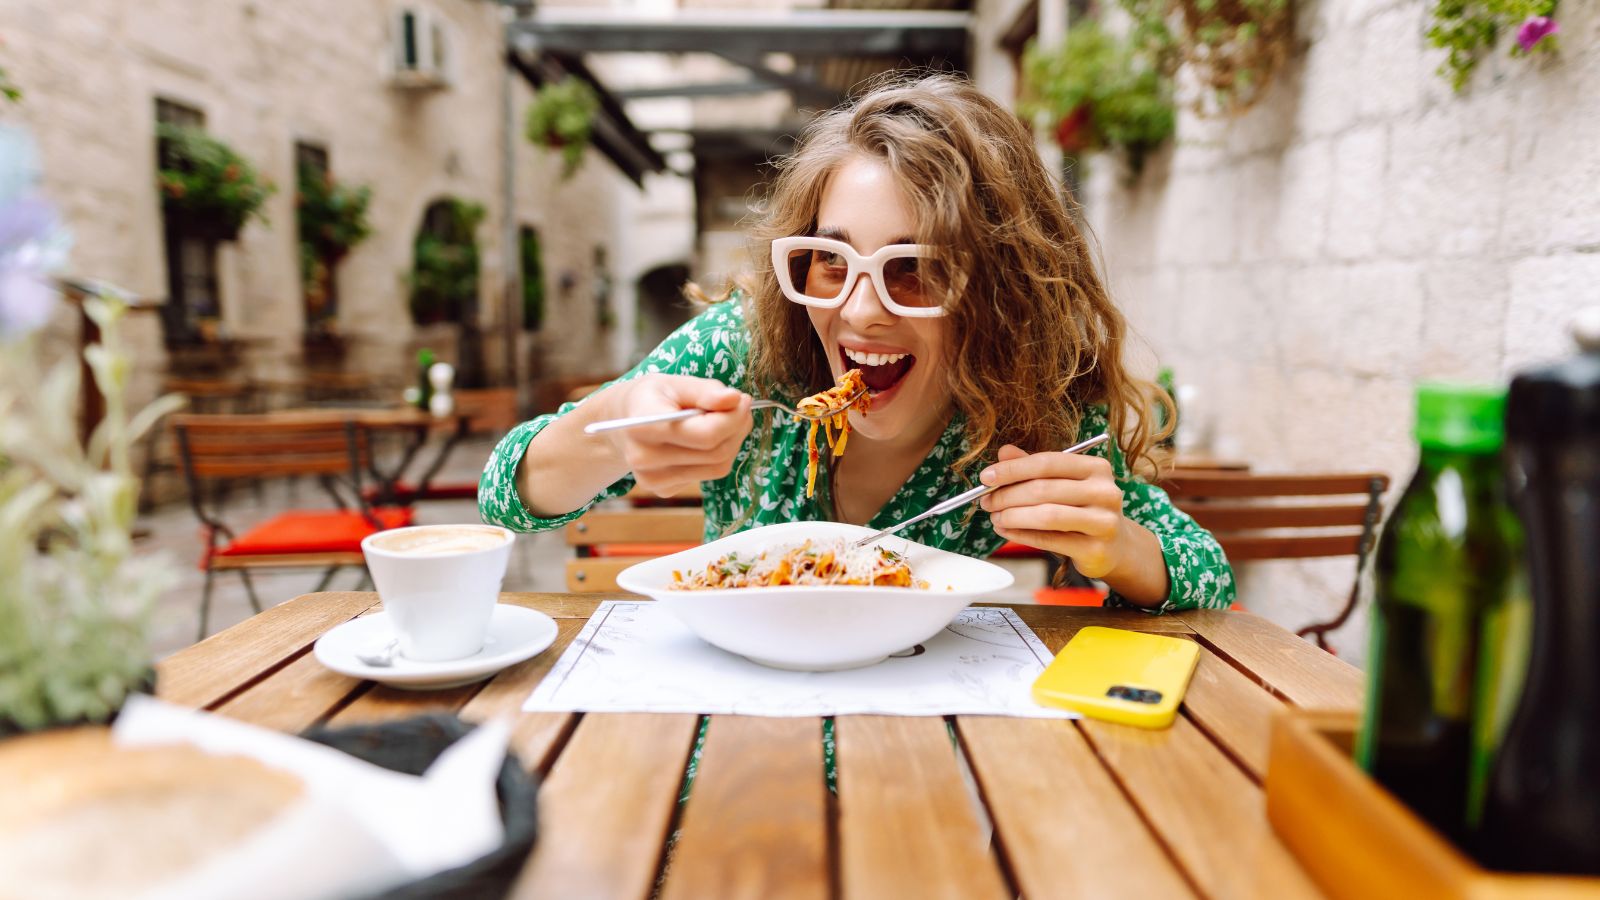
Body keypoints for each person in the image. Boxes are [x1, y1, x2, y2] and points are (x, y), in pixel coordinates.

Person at [480, 73, 1234, 613]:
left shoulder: (1031, 408)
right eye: (830, 262)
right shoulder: (742, 354)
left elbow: (1207, 574)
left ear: (1005, 293)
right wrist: (613, 431)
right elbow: (504, 496)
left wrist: (1117, 549)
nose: (859, 310)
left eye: (917, 270)